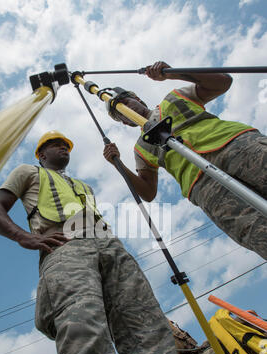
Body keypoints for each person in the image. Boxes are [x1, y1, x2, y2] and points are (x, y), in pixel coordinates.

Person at [0, 130, 214, 354]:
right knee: (84, 332)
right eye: (55, 145)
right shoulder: (27, 172)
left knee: (153, 339)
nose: (63, 148)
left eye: (67, 145)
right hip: (63, 247)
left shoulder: (84, 186)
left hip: (111, 247)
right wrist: (26, 237)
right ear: (41, 154)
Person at [103, 61, 267, 261]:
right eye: (121, 115)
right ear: (126, 123)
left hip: (238, 147)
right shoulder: (141, 148)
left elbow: (222, 82)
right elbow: (148, 192)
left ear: (138, 99)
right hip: (205, 187)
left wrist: (172, 73)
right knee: (257, 233)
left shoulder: (174, 98)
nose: (126, 111)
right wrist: (118, 164)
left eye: (127, 104)